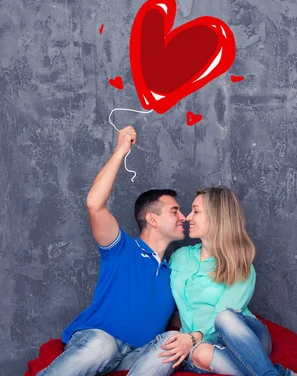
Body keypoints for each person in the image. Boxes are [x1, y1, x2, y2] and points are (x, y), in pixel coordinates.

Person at [37, 126, 186, 376]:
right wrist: (121, 151)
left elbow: (180, 319)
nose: (183, 217)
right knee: (103, 347)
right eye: (175, 211)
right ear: (153, 219)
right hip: (98, 343)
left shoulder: (173, 272)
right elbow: (94, 204)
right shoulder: (122, 248)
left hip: (135, 356)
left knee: (168, 345)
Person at [158, 187, 297, 376]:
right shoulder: (179, 257)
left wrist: (194, 337)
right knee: (200, 353)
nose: (188, 217)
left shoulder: (240, 264)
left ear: (216, 217)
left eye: (196, 211)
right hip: (200, 346)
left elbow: (222, 314)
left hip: (245, 339)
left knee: (224, 317)